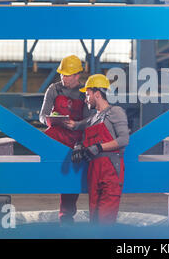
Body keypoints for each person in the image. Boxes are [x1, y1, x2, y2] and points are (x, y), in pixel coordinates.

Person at [67, 74, 130, 225]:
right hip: (94, 173)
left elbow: (123, 140)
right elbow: (77, 128)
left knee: (105, 221)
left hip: (110, 172)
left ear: (97, 94)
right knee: (94, 220)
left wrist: (98, 147)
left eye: (87, 95)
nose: (85, 99)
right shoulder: (92, 119)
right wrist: (78, 147)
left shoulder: (115, 112)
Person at [39, 54, 90, 225]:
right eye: (62, 74)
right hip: (57, 133)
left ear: (77, 75)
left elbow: (90, 121)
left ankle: (66, 215)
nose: (63, 77)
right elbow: (41, 116)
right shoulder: (54, 89)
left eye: (67, 75)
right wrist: (51, 119)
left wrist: (76, 125)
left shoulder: (85, 93)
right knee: (41, 140)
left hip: (76, 137)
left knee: (72, 176)